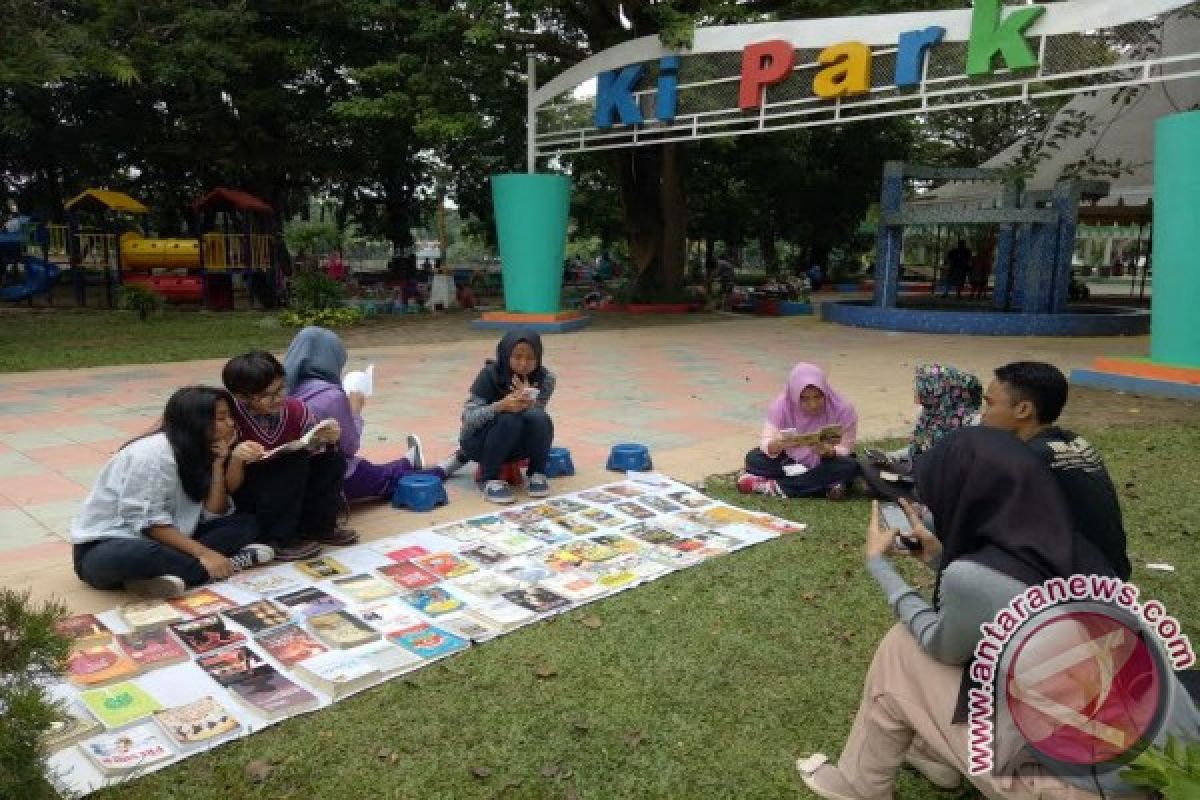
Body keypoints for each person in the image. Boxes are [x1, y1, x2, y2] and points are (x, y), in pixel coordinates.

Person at [795, 427, 1198, 800]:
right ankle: (935, 756)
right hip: (1166, 762)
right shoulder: (1069, 544)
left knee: (901, 647)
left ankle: (859, 785)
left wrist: (880, 567)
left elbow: (942, 645)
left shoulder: (973, 578)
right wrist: (939, 557)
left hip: (1082, 786)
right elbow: (1012, 600)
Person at [70, 387, 270, 598]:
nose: (231, 423)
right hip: (108, 547)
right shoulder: (151, 455)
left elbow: (213, 513)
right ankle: (223, 565)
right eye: (221, 418)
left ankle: (158, 578)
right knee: (143, 554)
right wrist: (205, 553)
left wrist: (218, 466)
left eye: (230, 416)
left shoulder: (203, 449)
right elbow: (149, 525)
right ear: (195, 422)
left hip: (174, 538)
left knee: (247, 524)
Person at [981, 361, 1131, 580]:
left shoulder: (1023, 460)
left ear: (1023, 410)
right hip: (1112, 578)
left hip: (1071, 590)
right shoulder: (1076, 442)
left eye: (990, 405)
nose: (984, 415)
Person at [282, 326, 454, 502]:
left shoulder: (278, 389)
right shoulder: (331, 396)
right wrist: (354, 409)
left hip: (288, 479)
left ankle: (409, 460)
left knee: (373, 469)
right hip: (329, 478)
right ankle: (444, 468)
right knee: (387, 478)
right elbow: (350, 446)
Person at [222, 351, 357, 561]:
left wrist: (327, 439)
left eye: (281, 389)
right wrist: (237, 458)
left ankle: (317, 526)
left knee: (331, 460)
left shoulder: (296, 409)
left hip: (292, 482)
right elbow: (228, 485)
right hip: (251, 494)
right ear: (242, 396)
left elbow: (314, 450)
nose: (278, 399)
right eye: (268, 395)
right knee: (291, 463)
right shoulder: (229, 419)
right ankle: (279, 539)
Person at [458, 329, 556, 504]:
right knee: (509, 418)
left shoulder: (545, 378)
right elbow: (468, 419)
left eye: (530, 358)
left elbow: (535, 419)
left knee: (539, 417)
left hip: (515, 446)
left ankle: (537, 474)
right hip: (479, 442)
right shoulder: (489, 375)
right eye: (517, 356)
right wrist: (500, 406)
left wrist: (529, 400)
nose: (523, 363)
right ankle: (488, 479)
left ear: (539, 357)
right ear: (506, 353)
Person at [738, 362, 860, 500]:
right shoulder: (781, 407)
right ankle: (827, 485)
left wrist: (830, 452)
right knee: (754, 458)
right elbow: (766, 442)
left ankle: (774, 486)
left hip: (826, 462)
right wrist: (779, 444)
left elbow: (846, 447)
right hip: (790, 459)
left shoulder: (843, 409)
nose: (813, 405)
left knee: (850, 466)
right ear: (795, 396)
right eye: (805, 399)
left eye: (818, 397)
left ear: (825, 392)